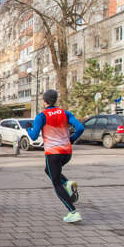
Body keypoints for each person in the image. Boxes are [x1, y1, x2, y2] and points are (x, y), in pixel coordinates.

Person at [26, 89, 85, 223]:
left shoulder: (42, 116)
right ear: (55, 100)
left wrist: (28, 129)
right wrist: (72, 138)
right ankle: (68, 183)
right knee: (49, 171)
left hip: (53, 153)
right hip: (67, 153)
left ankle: (73, 211)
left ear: (44, 101)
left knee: (56, 183)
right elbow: (80, 128)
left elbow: (34, 136)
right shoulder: (65, 113)